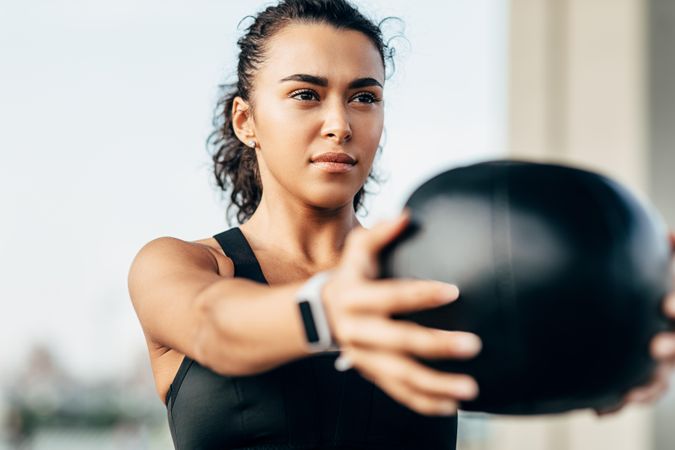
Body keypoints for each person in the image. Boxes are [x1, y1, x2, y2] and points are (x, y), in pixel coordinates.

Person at [127, 0, 675, 448]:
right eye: (305, 95)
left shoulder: (427, 278)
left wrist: (616, 354)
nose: (340, 124)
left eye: (364, 97)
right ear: (246, 120)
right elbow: (213, 327)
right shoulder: (182, 264)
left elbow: (530, 360)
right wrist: (329, 311)